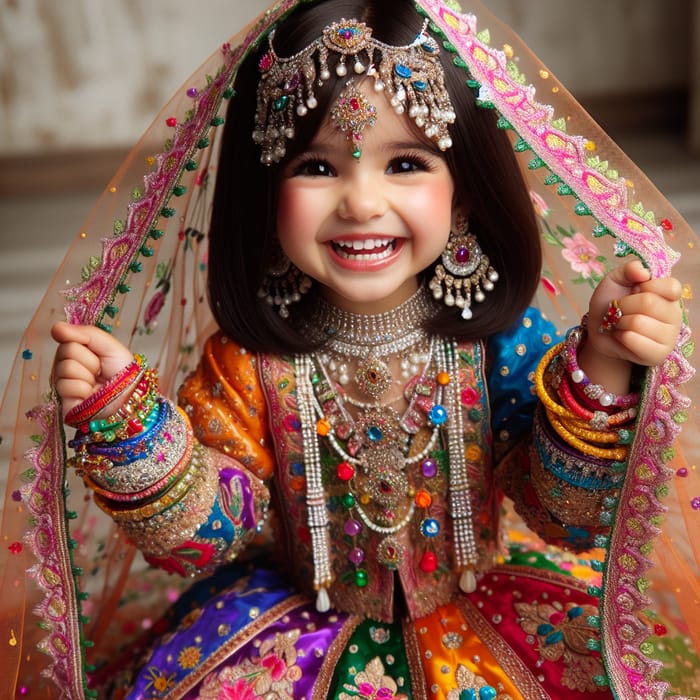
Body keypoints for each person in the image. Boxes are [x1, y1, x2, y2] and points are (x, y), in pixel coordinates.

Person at [1, 0, 698, 698]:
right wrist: (126, 422)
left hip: (491, 614)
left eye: (405, 164)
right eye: (316, 167)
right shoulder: (249, 365)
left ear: (463, 195)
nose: (361, 203)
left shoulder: (496, 348)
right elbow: (204, 536)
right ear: (265, 196)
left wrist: (605, 359)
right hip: (290, 632)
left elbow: (565, 517)